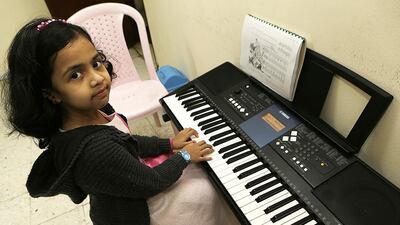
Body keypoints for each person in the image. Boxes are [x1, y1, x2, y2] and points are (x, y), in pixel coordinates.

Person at [2, 18, 238, 225]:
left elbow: (128, 141)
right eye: (75, 75)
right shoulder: (95, 151)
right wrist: (185, 156)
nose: (96, 78)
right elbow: (151, 181)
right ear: (51, 93)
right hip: (140, 212)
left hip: (131, 182)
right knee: (208, 190)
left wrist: (169, 144)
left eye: (95, 63)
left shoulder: (96, 110)